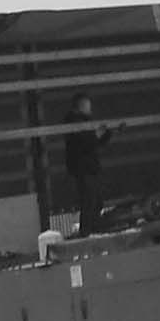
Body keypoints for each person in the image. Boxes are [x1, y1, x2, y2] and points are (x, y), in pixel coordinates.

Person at [60, 92, 114, 236]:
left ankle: (93, 228)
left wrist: (107, 133)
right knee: (89, 200)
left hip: (90, 167)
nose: (90, 109)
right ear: (80, 106)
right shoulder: (73, 122)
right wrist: (97, 135)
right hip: (83, 168)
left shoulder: (86, 121)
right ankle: (86, 231)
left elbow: (94, 144)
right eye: (87, 106)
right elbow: (84, 143)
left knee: (96, 200)